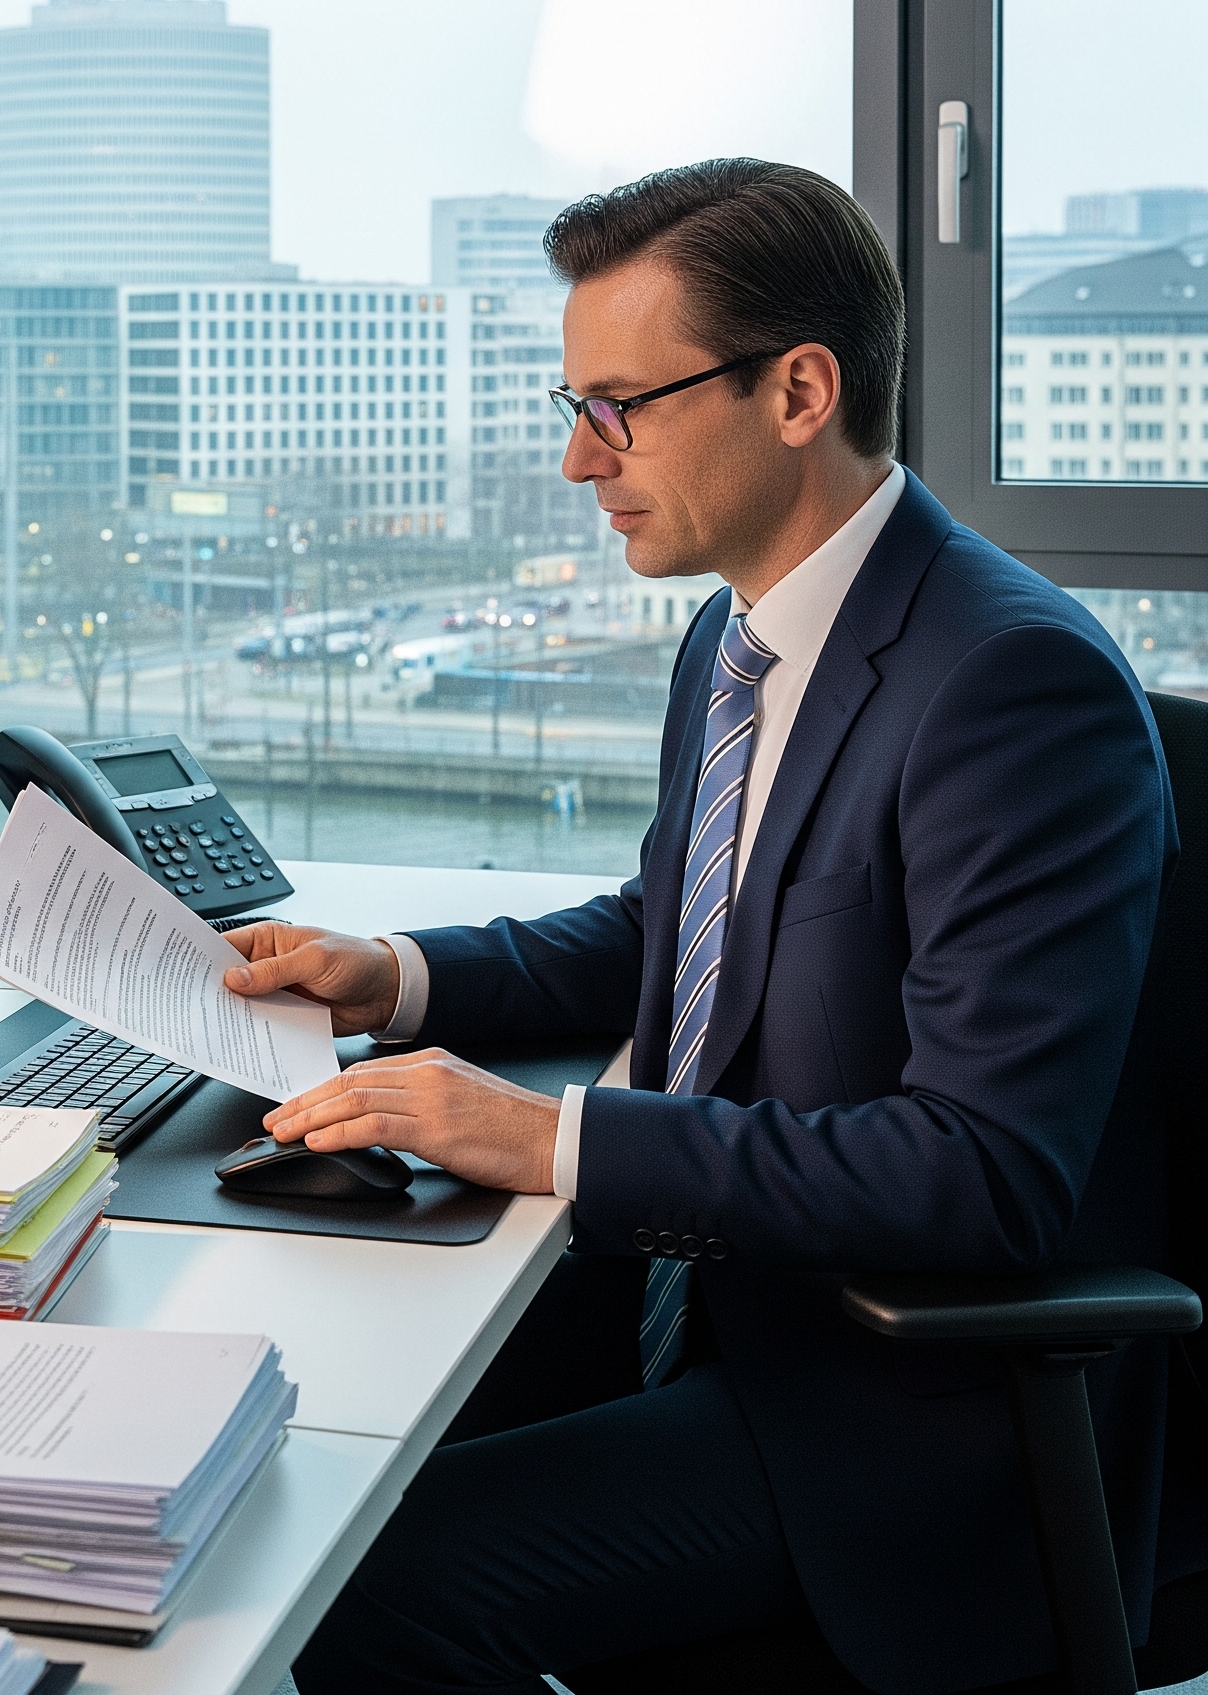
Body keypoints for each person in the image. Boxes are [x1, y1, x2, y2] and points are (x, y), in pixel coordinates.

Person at [224, 160, 1184, 1694]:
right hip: (733, 1295)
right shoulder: (739, 637)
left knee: (362, 1585)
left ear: (798, 391)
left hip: (897, 1410)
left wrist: (550, 1139)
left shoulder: (1011, 686)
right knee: (294, 1435)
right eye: (574, 405)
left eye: (619, 408)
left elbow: (984, 1174)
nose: (576, 460)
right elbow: (675, 929)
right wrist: (395, 979)